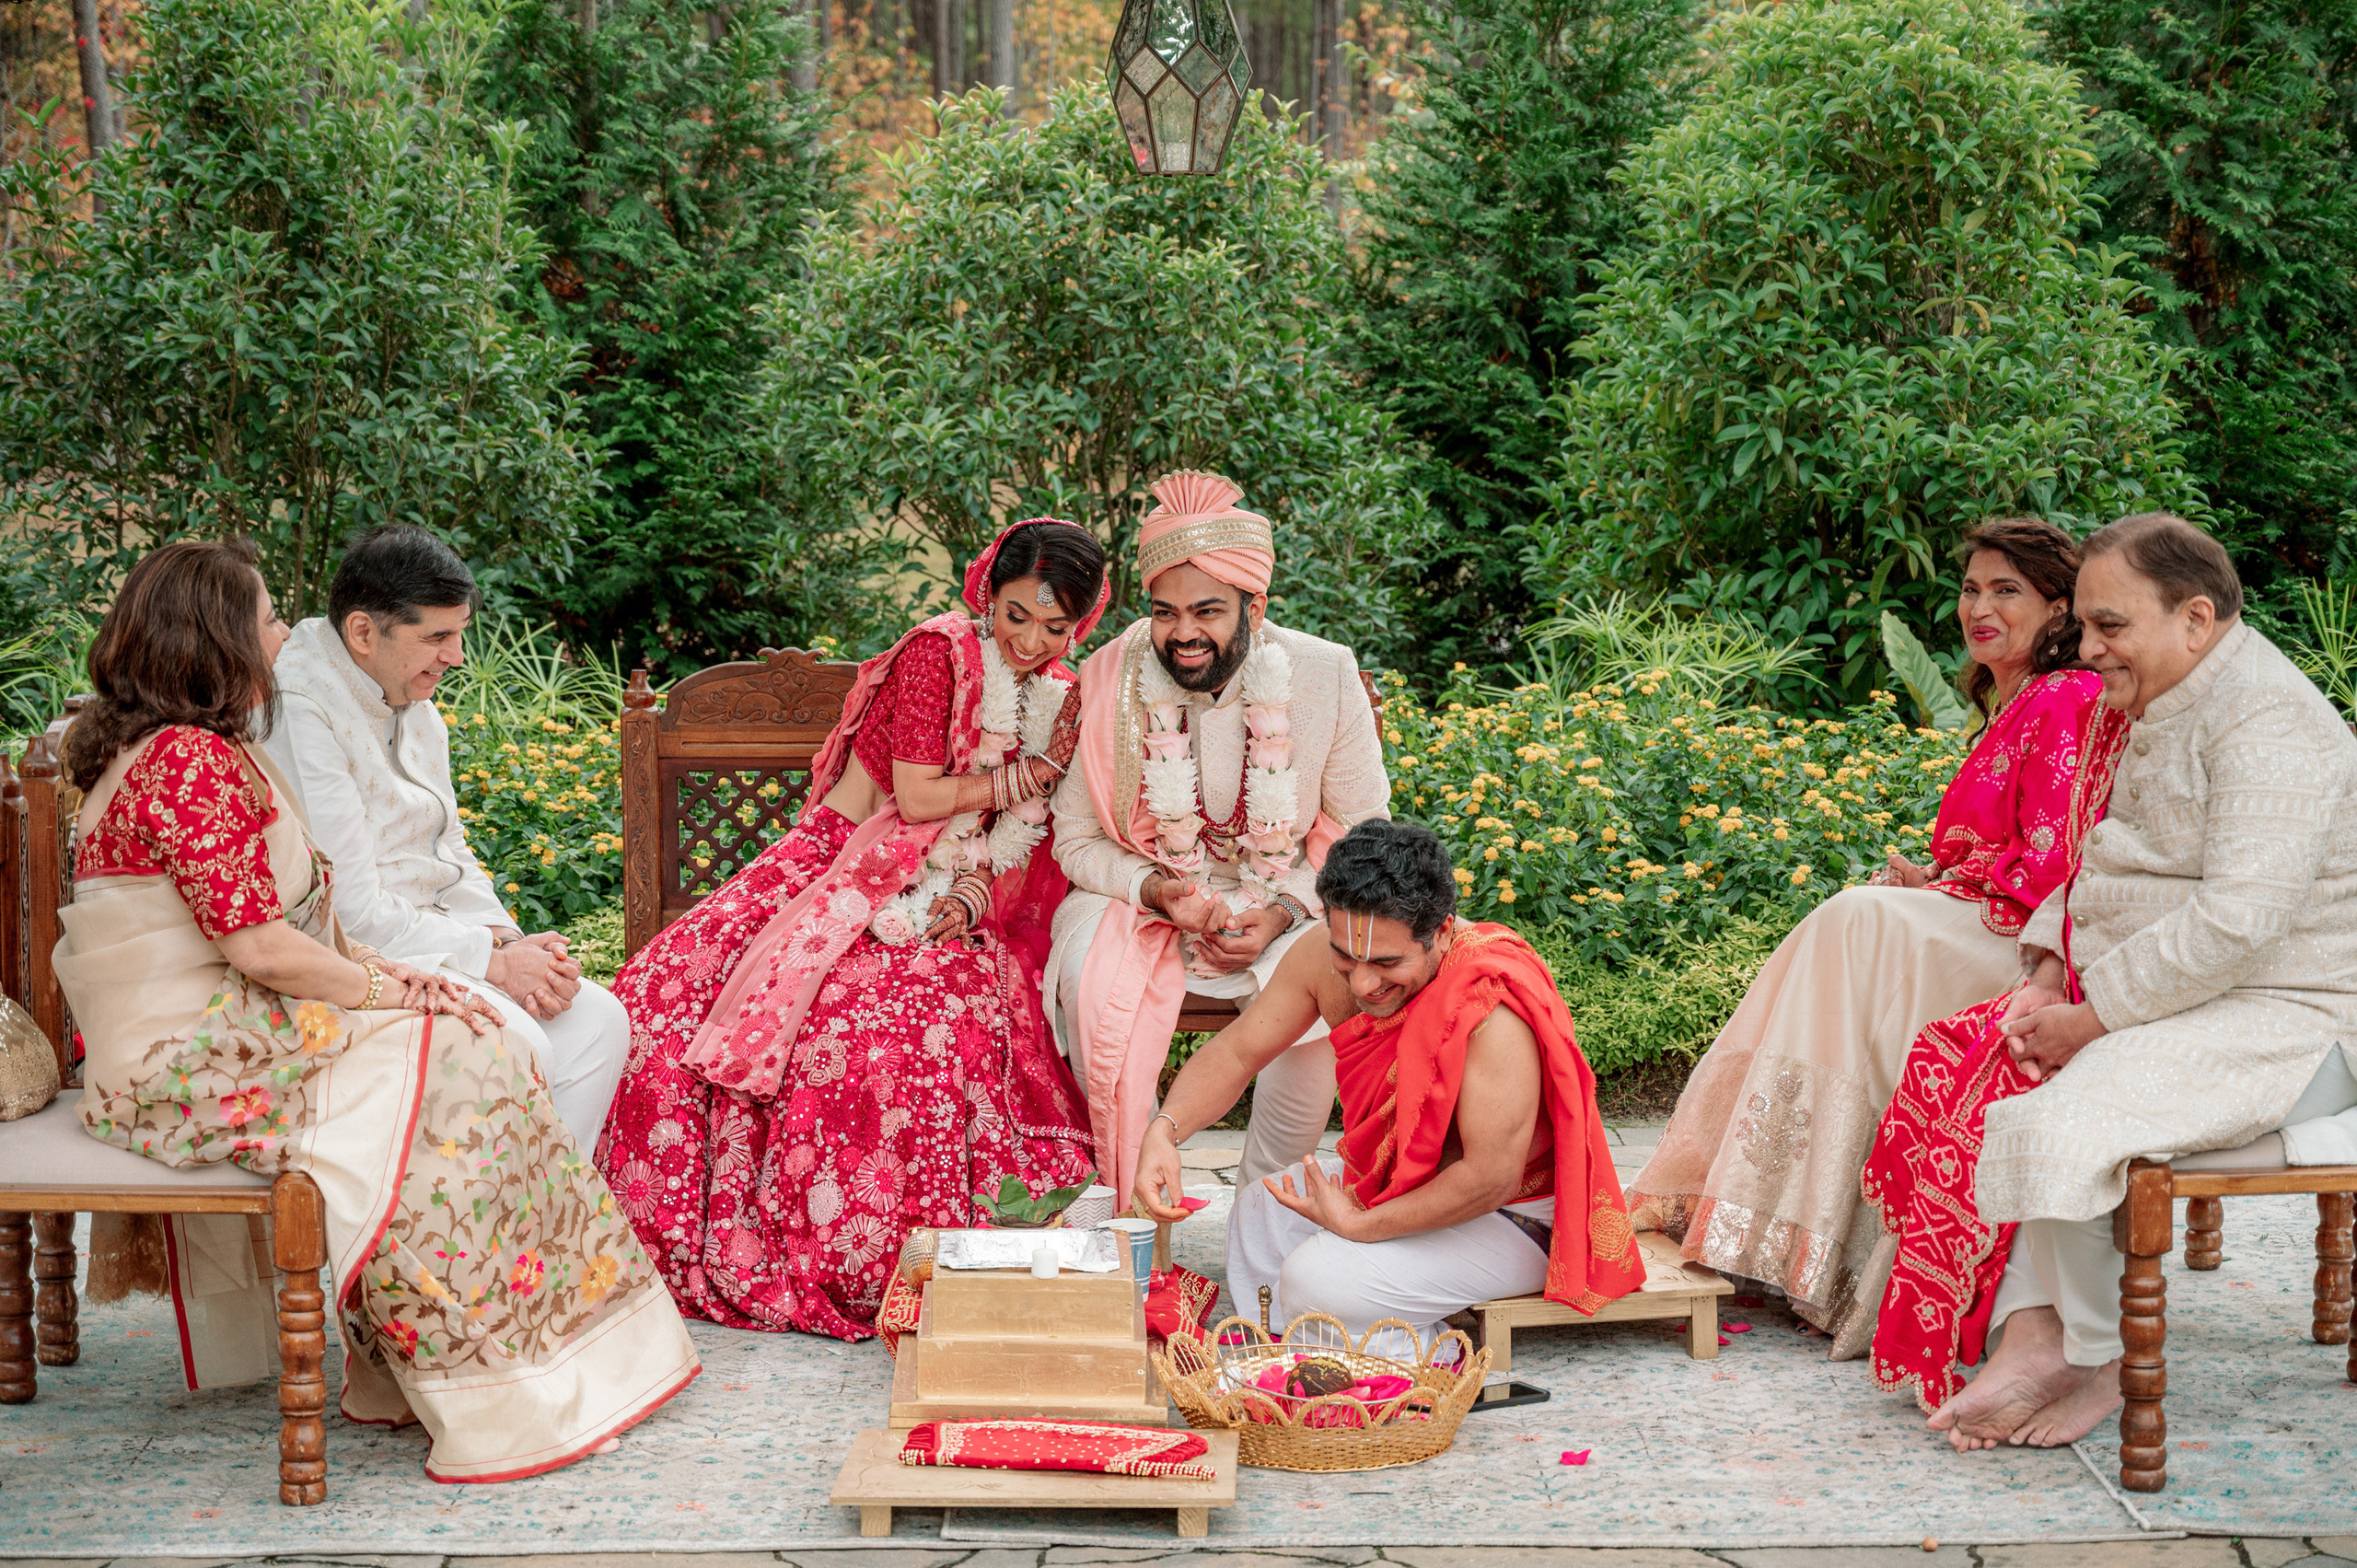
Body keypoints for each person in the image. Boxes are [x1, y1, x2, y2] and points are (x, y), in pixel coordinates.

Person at [53, 538, 696, 1482]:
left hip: (220, 1028)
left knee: (458, 1045)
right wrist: (397, 987)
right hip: (179, 1057)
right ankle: (488, 1377)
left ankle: (466, 1355)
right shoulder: (188, 760)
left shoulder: (187, 749)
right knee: (453, 1061)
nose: (282, 629)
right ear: (217, 639)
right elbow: (260, 945)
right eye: (269, 614)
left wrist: (420, 976)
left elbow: (283, 927)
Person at [1863, 512, 2357, 1450]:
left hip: (2300, 1018)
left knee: (2065, 1103)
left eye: (2109, 625)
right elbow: (2099, 857)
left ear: (2196, 617)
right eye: (2085, 625)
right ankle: (2041, 1335)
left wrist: (2093, 1019)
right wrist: (2048, 969)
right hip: (2208, 998)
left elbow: (2237, 923)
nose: (2086, 648)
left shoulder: (2271, 723)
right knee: (2003, 1066)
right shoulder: (2170, 697)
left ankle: (2082, 1352)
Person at [599, 519, 1110, 1339]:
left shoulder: (1057, 689)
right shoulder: (937, 654)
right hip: (841, 866)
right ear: (988, 595)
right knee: (720, 1004)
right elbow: (914, 797)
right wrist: (1030, 772)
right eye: (1018, 616)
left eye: (1057, 627)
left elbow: (1009, 834)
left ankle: (953, 1246)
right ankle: (847, 1249)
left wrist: (971, 893)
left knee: (960, 998)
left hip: (943, 882)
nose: (1032, 642)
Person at [1629, 517, 2115, 1354]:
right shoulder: (2012, 702)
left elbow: (2059, 857)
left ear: (2058, 607)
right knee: (1852, 922)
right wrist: (1934, 883)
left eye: (2007, 590)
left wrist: (1952, 887)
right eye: (1970, 589)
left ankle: (1800, 1242)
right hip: (1976, 914)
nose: (1980, 607)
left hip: (2034, 941)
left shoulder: (2064, 695)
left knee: (1852, 922)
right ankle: (1780, 1227)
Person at [1135, 819, 1644, 1346]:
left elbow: (1489, 1179)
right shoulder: (1318, 956)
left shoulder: (1489, 1009)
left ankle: (1418, 1362)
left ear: (1442, 932)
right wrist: (1164, 1133)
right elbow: (1238, 1052)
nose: (1362, 983)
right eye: (1345, 959)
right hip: (1398, 1184)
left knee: (1317, 1278)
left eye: (1387, 963)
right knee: (1262, 1206)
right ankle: (1294, 1354)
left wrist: (1358, 1229)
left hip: (1513, 1217)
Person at [1047, 470, 1389, 1204]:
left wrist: (1285, 910)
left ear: (1254, 606)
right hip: (1141, 897)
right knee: (1090, 974)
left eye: (1207, 610)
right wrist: (1156, 889)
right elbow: (1074, 841)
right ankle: (1127, 1194)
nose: (1184, 633)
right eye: (1165, 613)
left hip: (1288, 894)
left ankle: (1265, 1208)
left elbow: (1363, 830)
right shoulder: (1113, 674)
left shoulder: (1325, 672)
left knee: (1323, 985)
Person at [261, 525, 628, 1151]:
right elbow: (346, 910)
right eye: (437, 636)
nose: (457, 655)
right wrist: (494, 964)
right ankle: (483, 1237)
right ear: (362, 632)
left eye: (458, 632)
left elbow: (448, 852)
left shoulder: (410, 699)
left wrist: (512, 944)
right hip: (355, 966)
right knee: (520, 1043)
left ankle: (540, 1226)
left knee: (599, 1021)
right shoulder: (301, 708)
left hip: (438, 948)